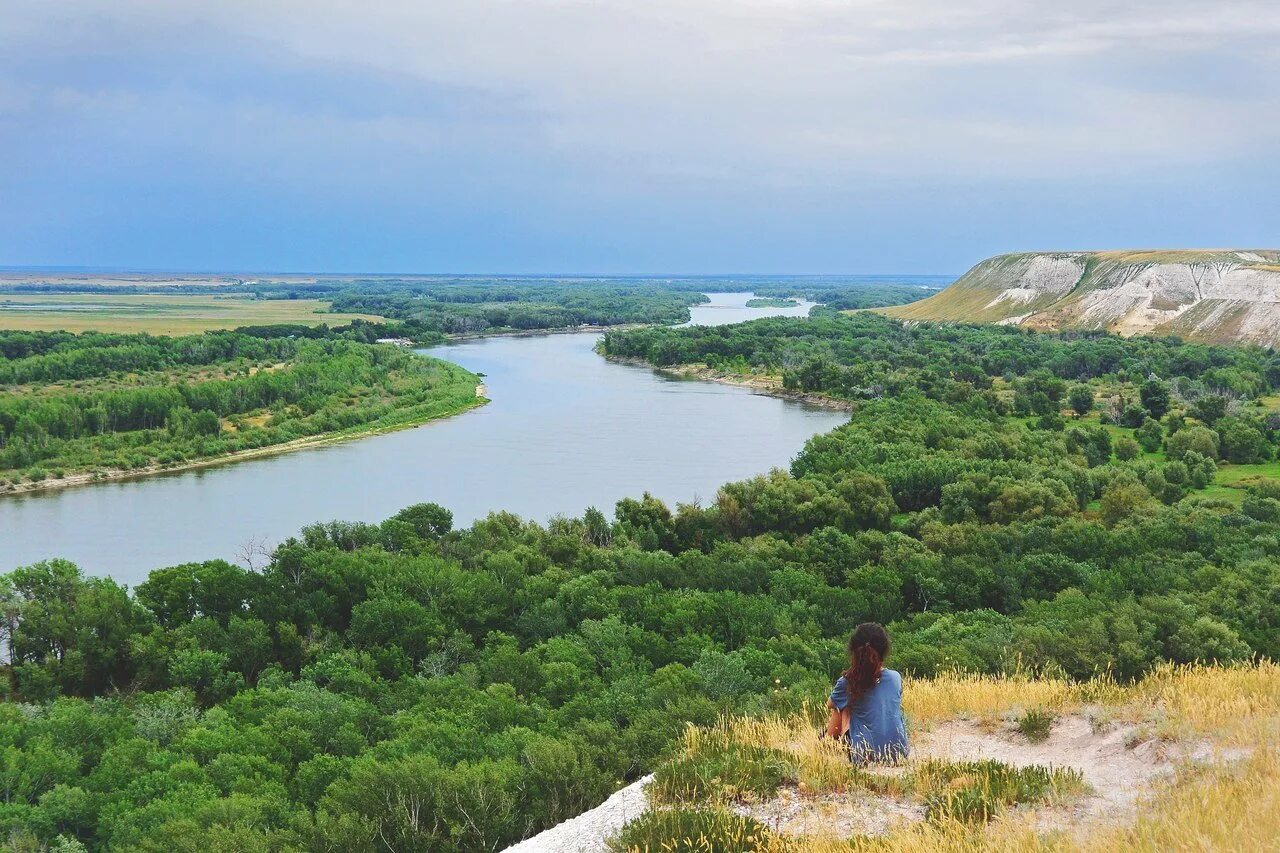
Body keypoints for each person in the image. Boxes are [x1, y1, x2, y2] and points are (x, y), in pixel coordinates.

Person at [825, 622, 908, 762]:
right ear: (883, 651)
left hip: (864, 755)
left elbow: (830, 704)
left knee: (842, 707)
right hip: (898, 753)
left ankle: (826, 744)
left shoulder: (847, 682)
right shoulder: (895, 678)